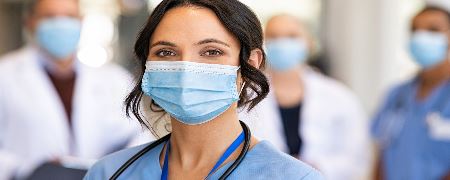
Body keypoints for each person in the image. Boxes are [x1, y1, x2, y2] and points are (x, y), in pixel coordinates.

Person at [83, 0, 323, 179]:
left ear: (249, 64)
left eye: (212, 52)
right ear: (147, 65)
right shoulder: (109, 173)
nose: (186, 68)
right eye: (166, 52)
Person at [0, 0, 148, 179]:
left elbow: (139, 134)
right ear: (29, 22)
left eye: (69, 16)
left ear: (81, 21)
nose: (61, 24)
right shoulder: (5, 75)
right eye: (50, 16)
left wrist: (118, 165)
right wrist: (24, 170)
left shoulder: (114, 79)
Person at [239, 14, 373, 180]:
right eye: (273, 37)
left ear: (309, 42)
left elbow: (356, 158)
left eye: (291, 36)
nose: (282, 44)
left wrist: (312, 167)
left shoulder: (340, 97)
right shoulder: (245, 96)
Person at [372, 6, 450, 180]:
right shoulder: (395, 96)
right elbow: (382, 155)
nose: (421, 37)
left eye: (433, 30)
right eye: (415, 30)